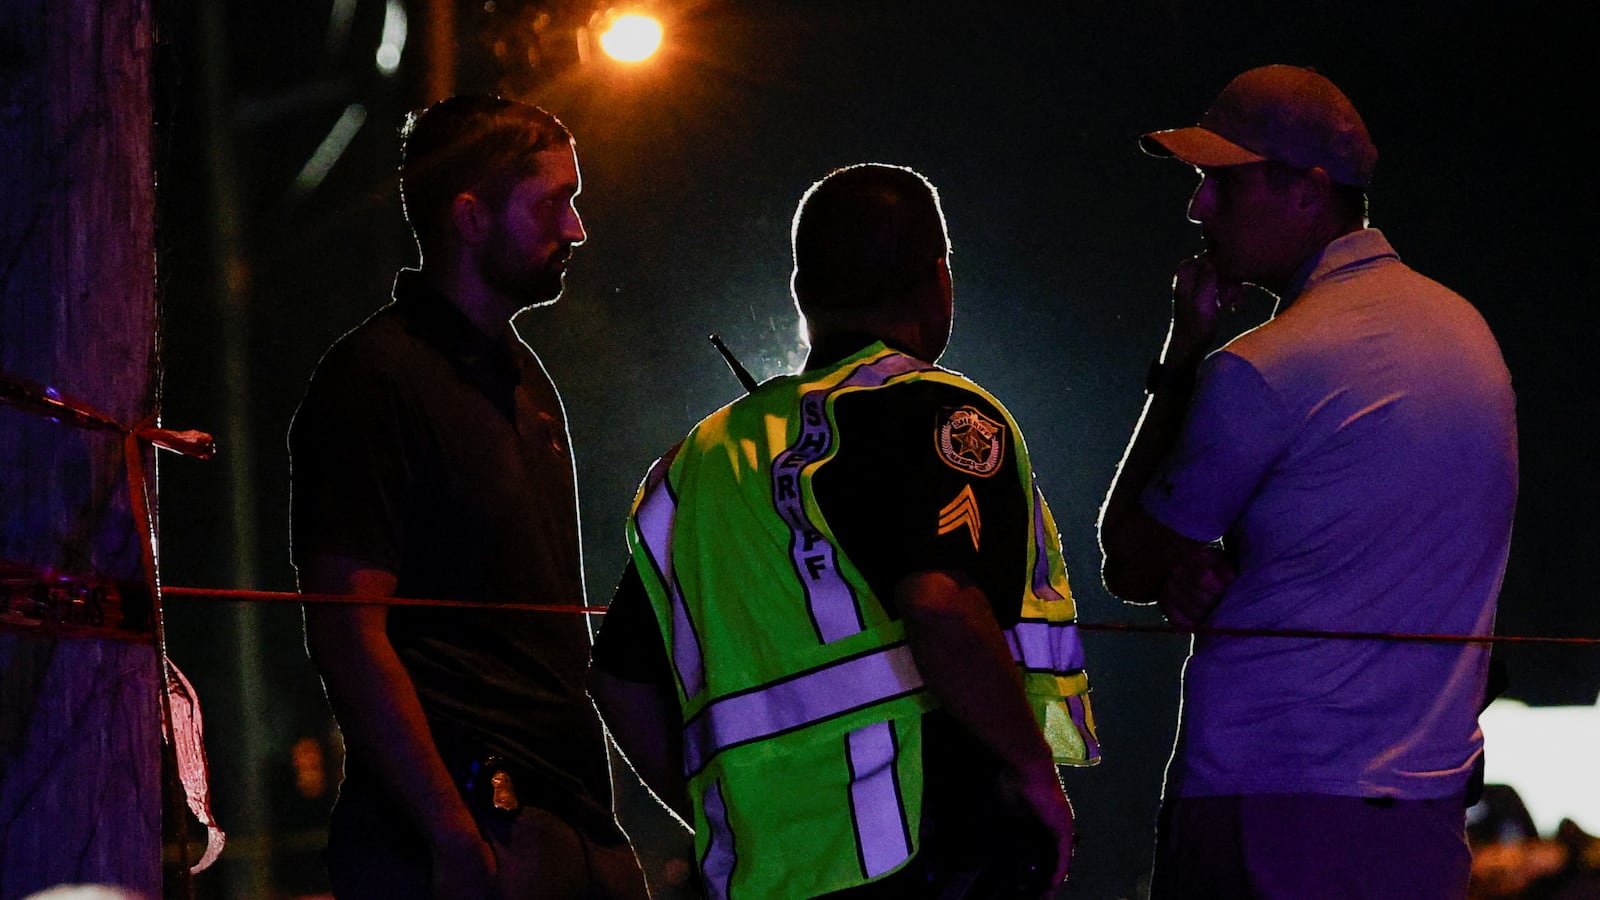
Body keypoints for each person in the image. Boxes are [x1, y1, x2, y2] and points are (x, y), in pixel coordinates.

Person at [587, 164, 1100, 899]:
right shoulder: (941, 413)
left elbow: (618, 684)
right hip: (928, 854)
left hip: (768, 876)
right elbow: (940, 605)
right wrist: (1033, 772)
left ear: (802, 295)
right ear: (938, 280)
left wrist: (724, 815)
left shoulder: (701, 462)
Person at [1098, 65, 1518, 899]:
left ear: (1308, 192)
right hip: (1422, 813)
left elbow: (1131, 559)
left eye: (1223, 181)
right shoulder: (1473, 339)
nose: (1198, 208)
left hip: (1267, 805)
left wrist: (1181, 357)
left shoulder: (1265, 366)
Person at [290, 95, 648, 900]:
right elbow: (347, 630)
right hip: (468, 835)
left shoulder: (526, 381)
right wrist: (450, 833)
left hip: (572, 820)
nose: (578, 229)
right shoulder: (373, 381)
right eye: (555, 203)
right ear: (470, 219)